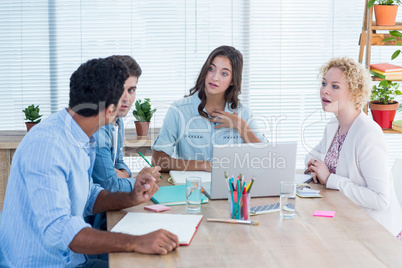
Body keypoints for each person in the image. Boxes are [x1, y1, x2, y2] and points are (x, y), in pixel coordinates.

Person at [0, 58, 178, 268]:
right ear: (110, 110)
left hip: (72, 260)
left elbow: (88, 197)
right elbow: (59, 228)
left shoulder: (80, 135)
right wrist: (136, 242)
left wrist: (131, 197)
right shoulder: (47, 146)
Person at [305, 57, 402, 238]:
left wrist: (330, 179)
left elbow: (380, 199)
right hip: (347, 220)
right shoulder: (334, 126)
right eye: (324, 83)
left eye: (335, 86)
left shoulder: (368, 133)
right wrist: (313, 164)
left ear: (355, 93)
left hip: (376, 232)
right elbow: (313, 154)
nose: (324, 90)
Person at [152, 45, 267, 172]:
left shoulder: (243, 113)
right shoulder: (179, 110)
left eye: (224, 73)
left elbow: (265, 159)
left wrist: (240, 126)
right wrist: (203, 165)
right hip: (192, 188)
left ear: (233, 81)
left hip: (231, 189)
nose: (215, 77)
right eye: (211, 69)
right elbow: (158, 161)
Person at [92, 55, 159, 193]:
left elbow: (119, 162)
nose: (126, 98)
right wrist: (139, 179)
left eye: (131, 90)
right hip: (96, 211)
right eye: (120, 89)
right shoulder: (98, 127)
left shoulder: (118, 121)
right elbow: (111, 186)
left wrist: (125, 174)